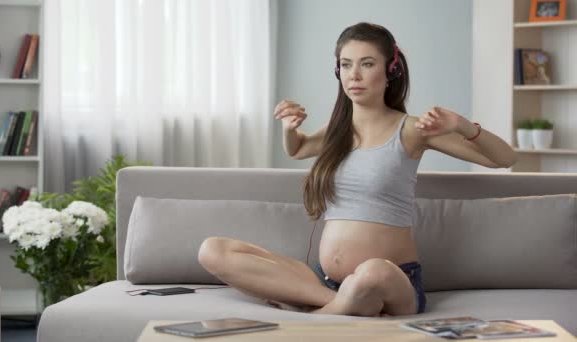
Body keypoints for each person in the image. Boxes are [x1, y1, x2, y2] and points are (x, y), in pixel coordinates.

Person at [197, 22, 517, 317]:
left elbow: (503, 159)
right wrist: (289, 128)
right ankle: (339, 305)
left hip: (391, 281)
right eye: (346, 65)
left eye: (367, 64)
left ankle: (318, 315)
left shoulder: (411, 129)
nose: (354, 75)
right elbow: (298, 149)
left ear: (391, 70)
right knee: (213, 250)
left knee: (373, 272)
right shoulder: (338, 129)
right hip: (324, 282)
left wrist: (461, 124)